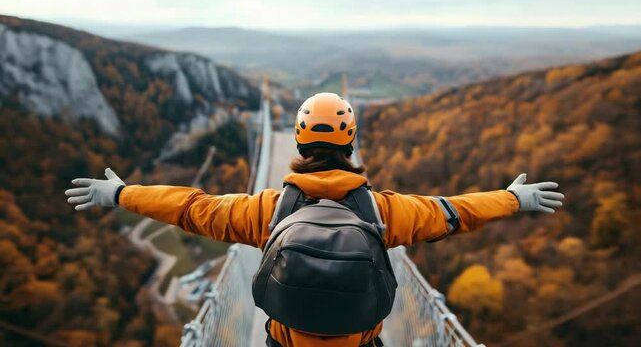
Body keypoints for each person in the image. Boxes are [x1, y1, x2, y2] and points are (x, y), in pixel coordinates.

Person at [65, 92, 564, 347]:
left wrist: (123, 193)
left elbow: (192, 209)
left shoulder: (264, 210)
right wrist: (512, 199)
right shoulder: (385, 210)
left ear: (300, 144)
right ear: (350, 144)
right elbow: (454, 212)